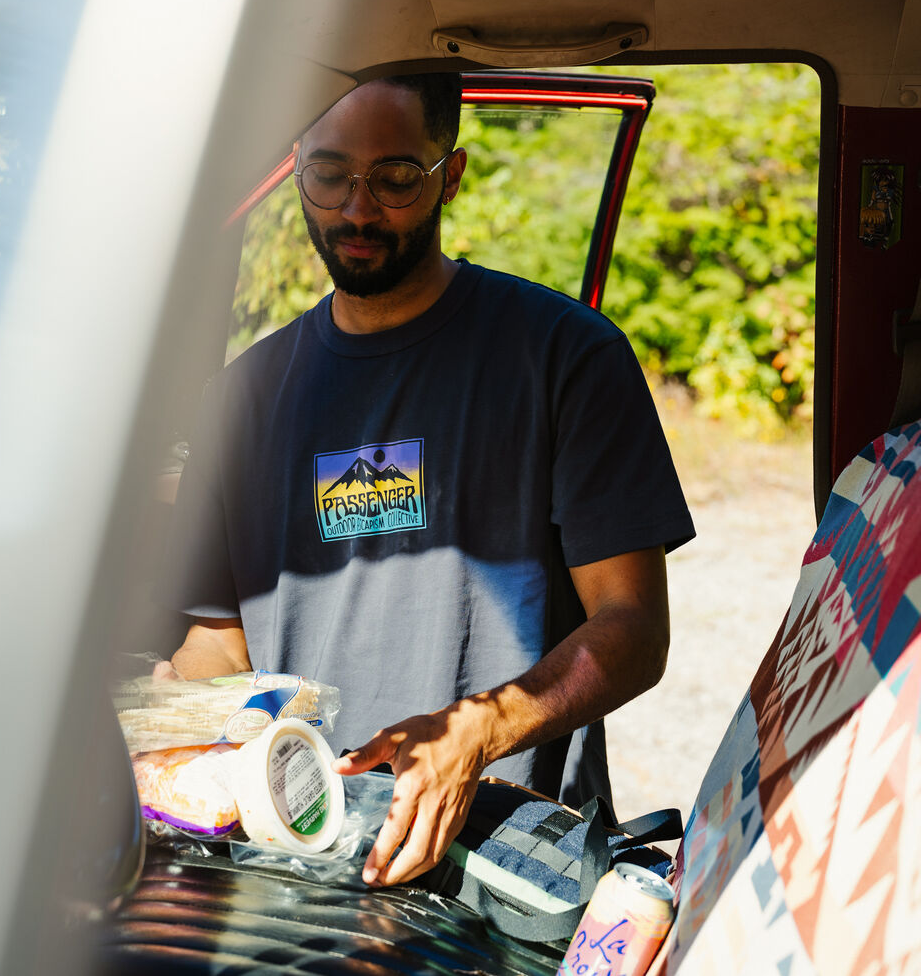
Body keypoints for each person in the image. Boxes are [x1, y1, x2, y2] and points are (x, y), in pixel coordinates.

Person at [163, 72, 694, 888]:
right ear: (297, 167)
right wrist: (166, 721)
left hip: (507, 853)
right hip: (300, 844)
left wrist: (475, 735)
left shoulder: (565, 356)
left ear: (452, 173)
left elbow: (632, 629)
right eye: (330, 174)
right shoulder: (242, 396)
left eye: (396, 178)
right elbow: (219, 640)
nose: (357, 209)